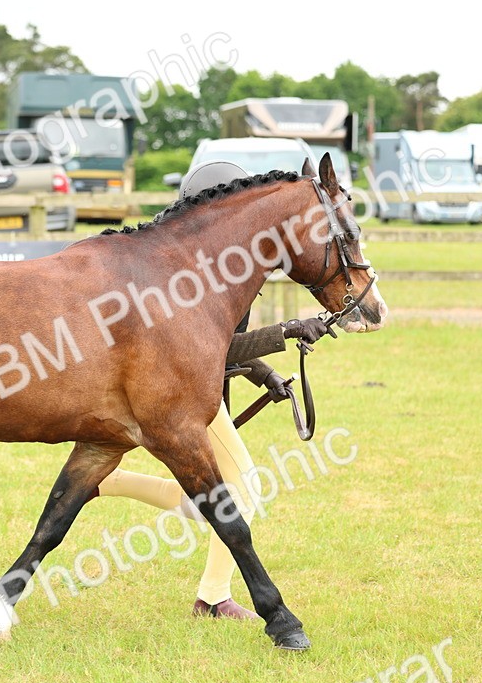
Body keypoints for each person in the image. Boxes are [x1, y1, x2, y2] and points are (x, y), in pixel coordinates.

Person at [86, 160, 329, 620]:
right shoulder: (191, 274)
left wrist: (265, 376)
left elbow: (224, 345)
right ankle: (214, 597)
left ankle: (109, 483)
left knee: (214, 502)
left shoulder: (220, 264)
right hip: (186, 396)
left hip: (198, 391)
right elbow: (209, 349)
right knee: (242, 492)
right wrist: (287, 331)